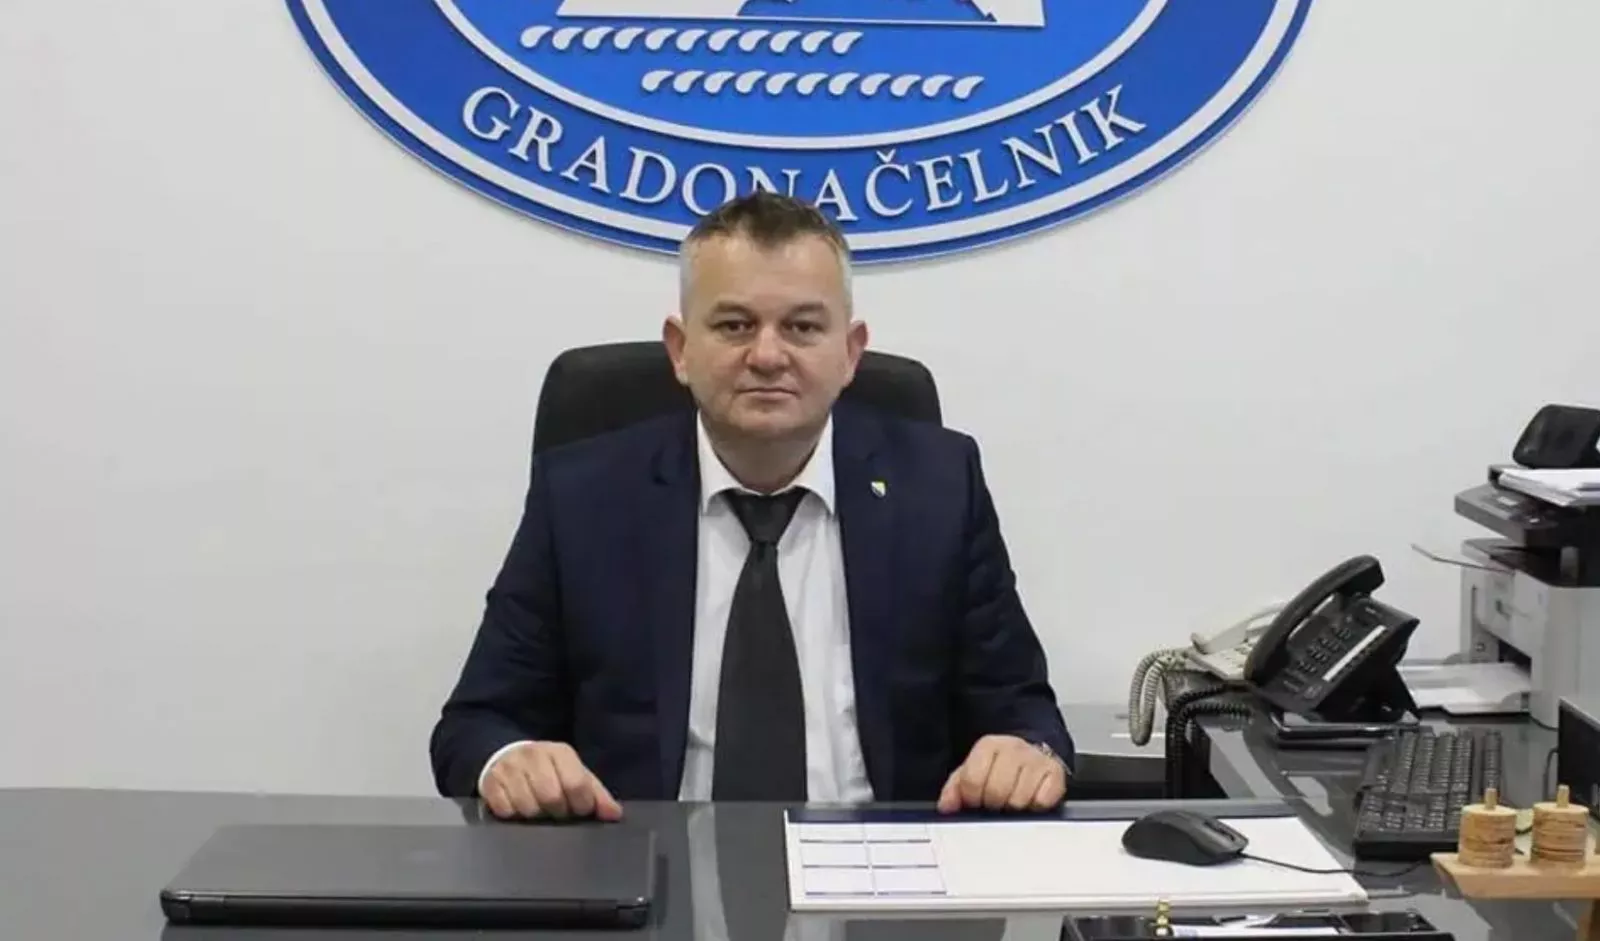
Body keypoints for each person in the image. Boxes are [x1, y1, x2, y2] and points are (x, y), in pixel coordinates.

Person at [429, 192, 1073, 821]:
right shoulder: (583, 497)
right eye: (735, 325)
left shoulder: (939, 488)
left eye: (802, 327)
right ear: (681, 349)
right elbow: (477, 723)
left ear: (850, 353)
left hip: (882, 864)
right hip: (642, 866)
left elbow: (1023, 711)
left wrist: (1026, 752)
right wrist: (510, 760)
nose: (767, 356)